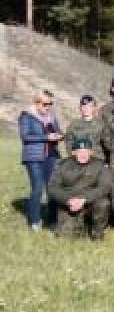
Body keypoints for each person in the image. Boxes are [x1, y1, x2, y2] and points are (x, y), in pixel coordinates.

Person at [46, 136, 112, 240]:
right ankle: (81, 226)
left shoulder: (100, 165)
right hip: (69, 203)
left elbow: (105, 187)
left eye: (86, 151)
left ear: (91, 152)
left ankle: (97, 233)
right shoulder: (62, 165)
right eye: (79, 151)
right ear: (73, 152)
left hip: (91, 202)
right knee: (66, 238)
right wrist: (68, 200)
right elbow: (52, 187)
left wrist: (83, 199)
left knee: (103, 203)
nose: (83, 155)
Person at [18, 90, 62, 231]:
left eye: (50, 104)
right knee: (37, 188)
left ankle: (52, 219)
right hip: (34, 158)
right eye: (45, 104)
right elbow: (25, 137)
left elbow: (58, 131)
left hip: (52, 156)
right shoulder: (26, 117)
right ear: (37, 103)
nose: (48, 107)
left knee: (52, 188)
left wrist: (59, 135)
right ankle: (34, 220)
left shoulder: (51, 116)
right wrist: (46, 137)